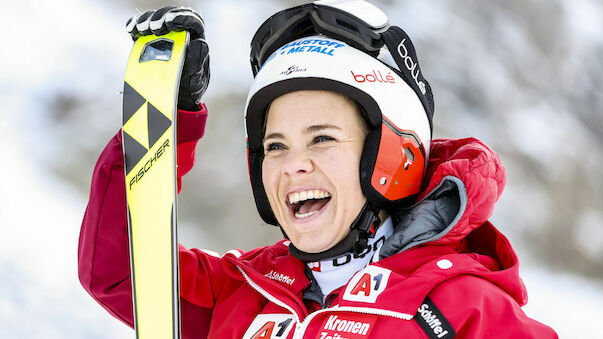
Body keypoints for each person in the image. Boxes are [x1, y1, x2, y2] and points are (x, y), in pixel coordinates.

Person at [78, 1, 558, 338]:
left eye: (322, 139)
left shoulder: (462, 310)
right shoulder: (242, 292)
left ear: (393, 155)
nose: (293, 165)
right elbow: (124, 272)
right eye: (275, 146)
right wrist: (162, 119)